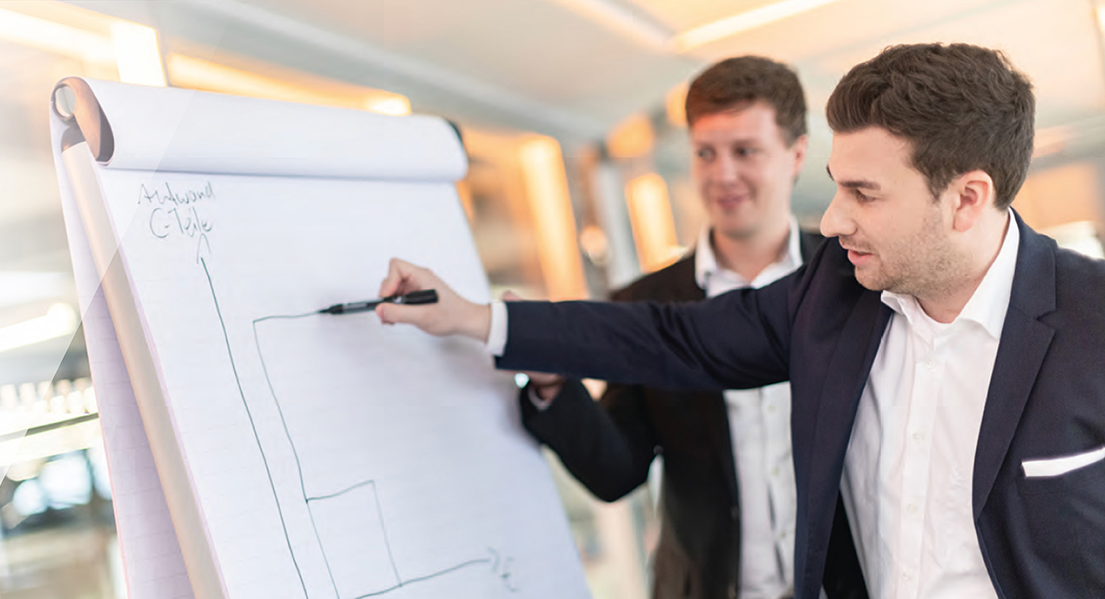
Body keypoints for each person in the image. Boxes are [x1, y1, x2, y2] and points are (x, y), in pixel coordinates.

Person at [377, 42, 1105, 599]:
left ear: (967, 199)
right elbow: (672, 336)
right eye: (835, 186)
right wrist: (480, 319)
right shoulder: (834, 291)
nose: (832, 219)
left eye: (864, 193)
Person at [514, 56, 860, 599]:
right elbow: (616, 472)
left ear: (796, 154)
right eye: (705, 153)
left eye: (745, 151)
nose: (722, 175)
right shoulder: (647, 304)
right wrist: (552, 383)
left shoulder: (853, 279)